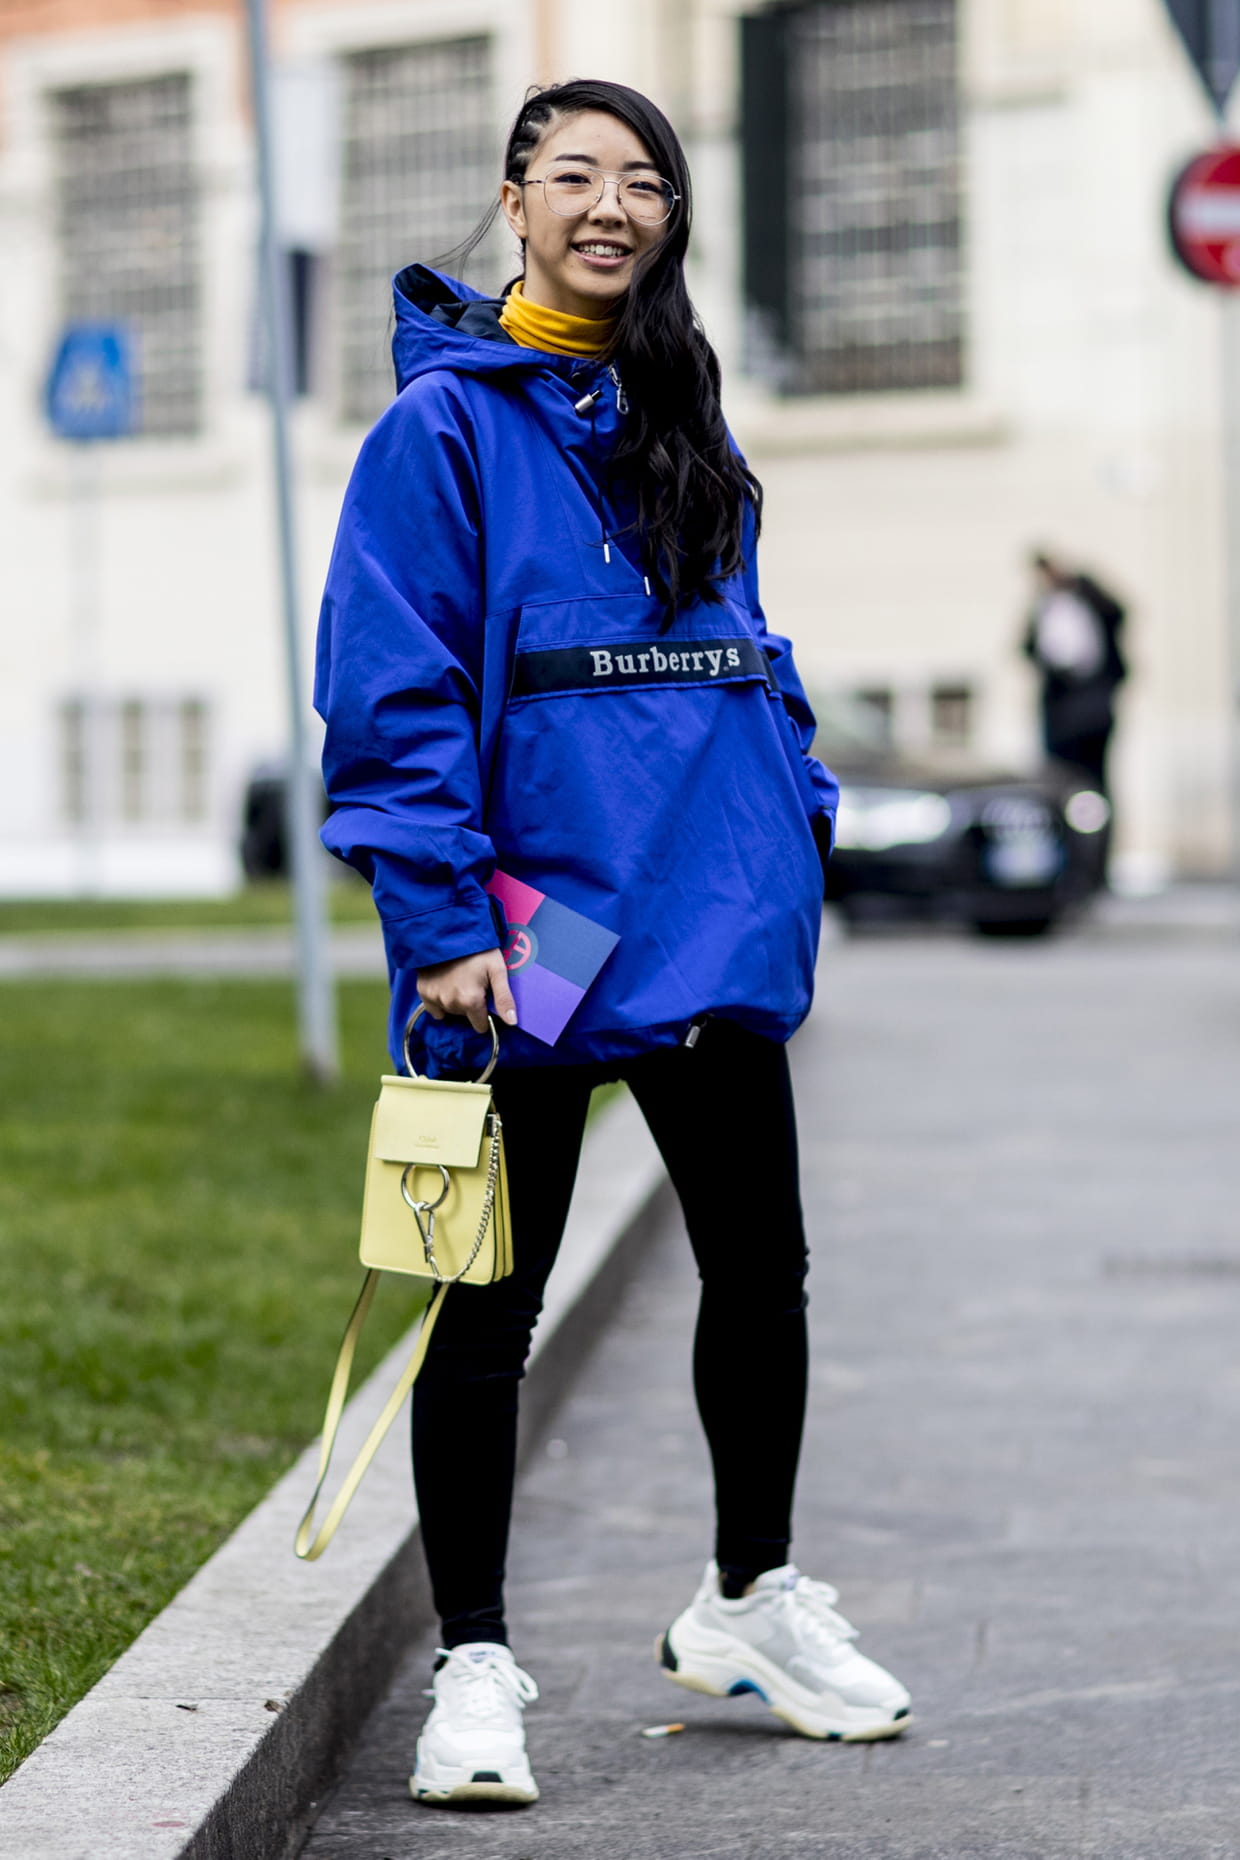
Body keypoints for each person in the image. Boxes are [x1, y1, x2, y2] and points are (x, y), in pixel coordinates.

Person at [314, 78, 911, 1810]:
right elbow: (392, 683)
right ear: (513, 201)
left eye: (643, 180)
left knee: (764, 1276)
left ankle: (748, 1601)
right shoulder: (440, 429)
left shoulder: (682, 404)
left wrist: (792, 810)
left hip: (705, 914)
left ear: (670, 215)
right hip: (540, 930)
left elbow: (747, 644)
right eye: (574, 174)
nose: (610, 205)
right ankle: (473, 1665)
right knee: (486, 1313)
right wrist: (440, 918)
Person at [1023, 550, 1127, 796]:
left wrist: (1079, 582)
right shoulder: (1044, 607)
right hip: (1060, 710)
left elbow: (1117, 613)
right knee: (1060, 776)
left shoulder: (1089, 598)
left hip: (1093, 708)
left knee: (1095, 775)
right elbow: (1029, 648)